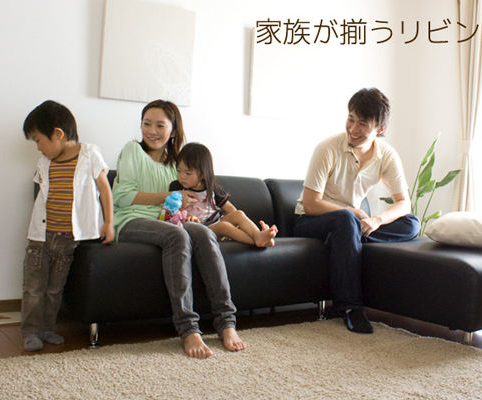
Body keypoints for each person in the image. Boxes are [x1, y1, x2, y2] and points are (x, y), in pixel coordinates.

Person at [112, 100, 246, 358]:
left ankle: (226, 323)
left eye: (160, 125)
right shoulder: (132, 151)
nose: (151, 131)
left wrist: (188, 210)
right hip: (131, 220)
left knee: (204, 232)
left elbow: (195, 198)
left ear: (173, 131)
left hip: (168, 220)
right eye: (146, 124)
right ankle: (188, 329)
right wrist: (170, 196)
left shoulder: (178, 163)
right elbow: (123, 197)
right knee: (177, 235)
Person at [294, 88, 420, 334]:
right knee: (345, 220)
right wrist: (353, 212)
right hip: (311, 221)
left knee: (411, 223)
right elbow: (310, 203)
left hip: (348, 224)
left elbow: (404, 203)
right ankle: (350, 307)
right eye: (351, 118)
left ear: (380, 129)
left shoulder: (386, 155)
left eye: (362, 123)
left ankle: (348, 239)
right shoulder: (327, 148)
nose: (353, 128)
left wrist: (376, 220)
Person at [22, 100, 114, 352]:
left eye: (38, 140)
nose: (38, 148)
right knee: (33, 288)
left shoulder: (89, 154)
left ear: (58, 134)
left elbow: (104, 188)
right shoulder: (45, 162)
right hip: (41, 238)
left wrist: (108, 222)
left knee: (54, 289)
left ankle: (47, 329)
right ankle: (30, 332)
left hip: (67, 239)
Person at [168, 142, 278, 247]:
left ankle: (258, 235)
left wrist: (237, 224)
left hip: (214, 222)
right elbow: (173, 208)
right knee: (224, 226)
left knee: (239, 214)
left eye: (188, 173)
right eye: (178, 170)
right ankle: (257, 242)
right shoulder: (176, 187)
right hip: (198, 229)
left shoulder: (212, 188)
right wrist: (187, 215)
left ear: (203, 174)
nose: (181, 176)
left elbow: (229, 207)